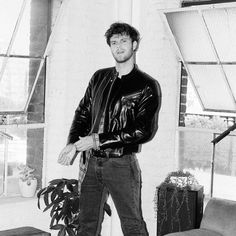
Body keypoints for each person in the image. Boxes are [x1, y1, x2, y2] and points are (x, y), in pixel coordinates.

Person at [58, 22, 162, 236]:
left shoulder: (147, 85)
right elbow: (83, 113)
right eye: (114, 42)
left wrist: (97, 140)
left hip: (121, 164)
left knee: (132, 225)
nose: (118, 46)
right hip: (90, 162)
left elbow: (143, 131)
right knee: (87, 224)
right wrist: (72, 143)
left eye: (123, 41)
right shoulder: (99, 77)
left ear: (134, 45)